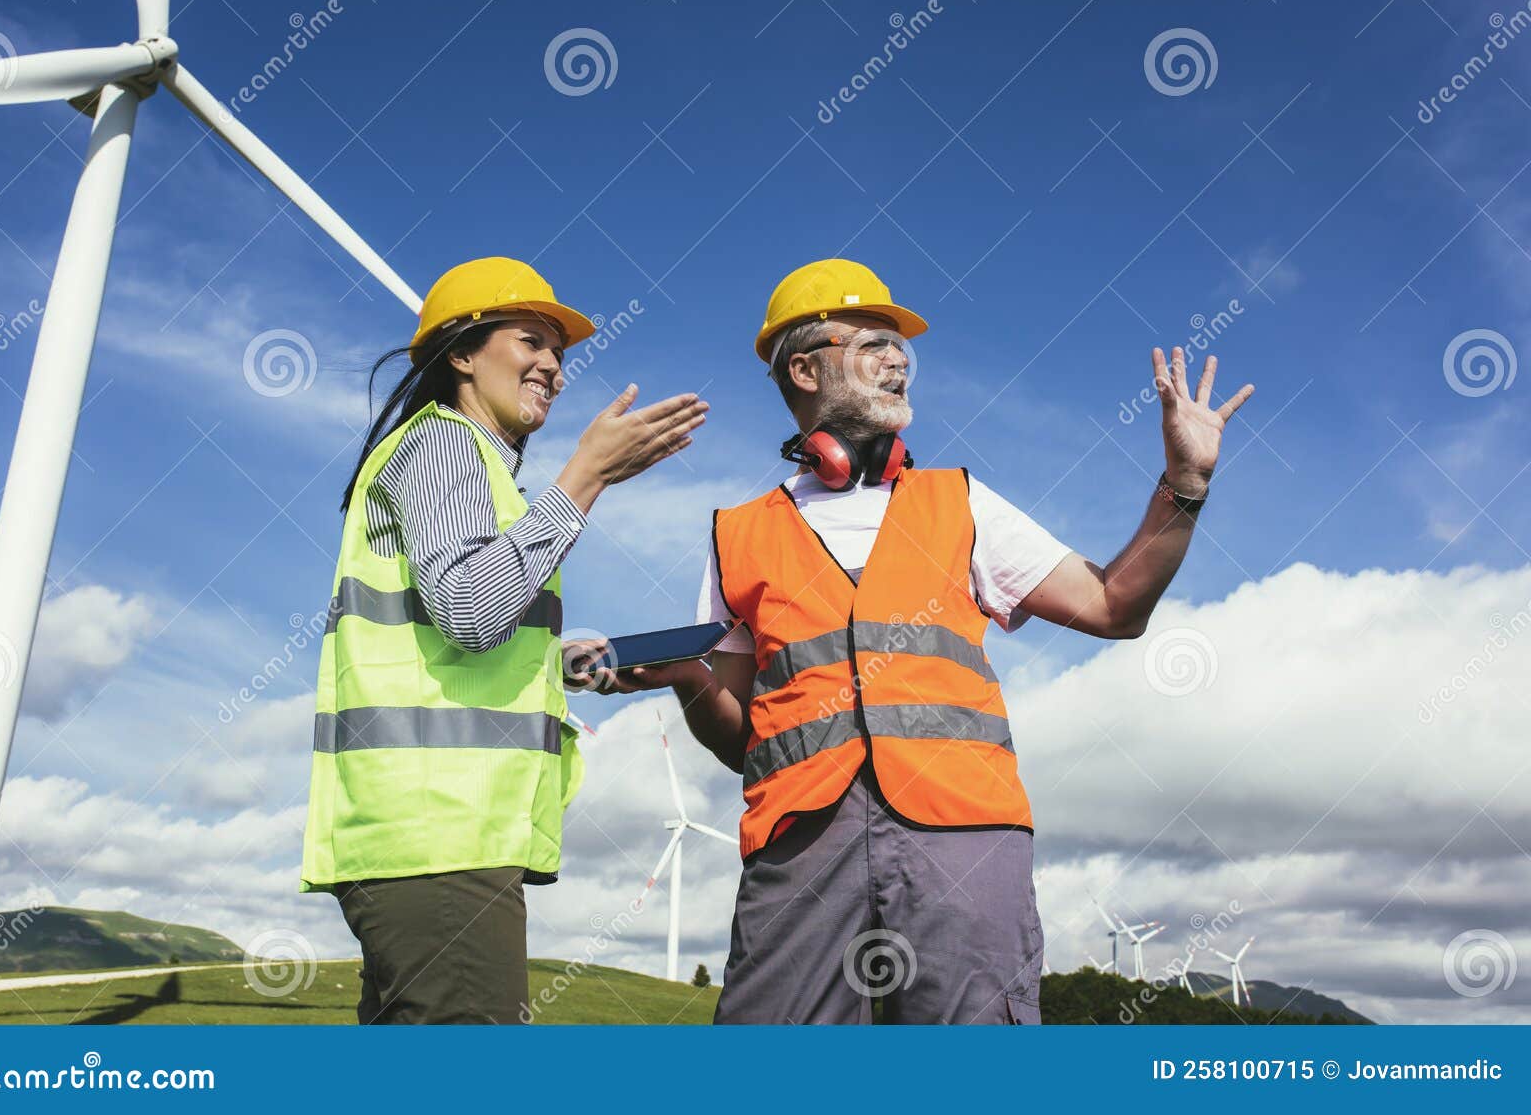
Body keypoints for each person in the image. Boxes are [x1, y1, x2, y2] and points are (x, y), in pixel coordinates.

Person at [590, 257, 1252, 1023]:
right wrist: (688, 678)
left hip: (965, 845)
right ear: (803, 368)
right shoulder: (737, 535)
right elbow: (745, 739)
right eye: (871, 340)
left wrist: (1184, 483)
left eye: (901, 344)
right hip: (799, 852)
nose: (899, 357)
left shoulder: (962, 503)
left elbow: (1115, 605)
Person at [299, 256, 708, 1024]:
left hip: (430, 835)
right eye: (530, 340)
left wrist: (561, 665)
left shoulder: (469, 462)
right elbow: (470, 609)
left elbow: (452, 626)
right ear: (460, 352)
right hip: (438, 835)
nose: (553, 365)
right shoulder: (447, 443)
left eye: (560, 352)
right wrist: (585, 477)